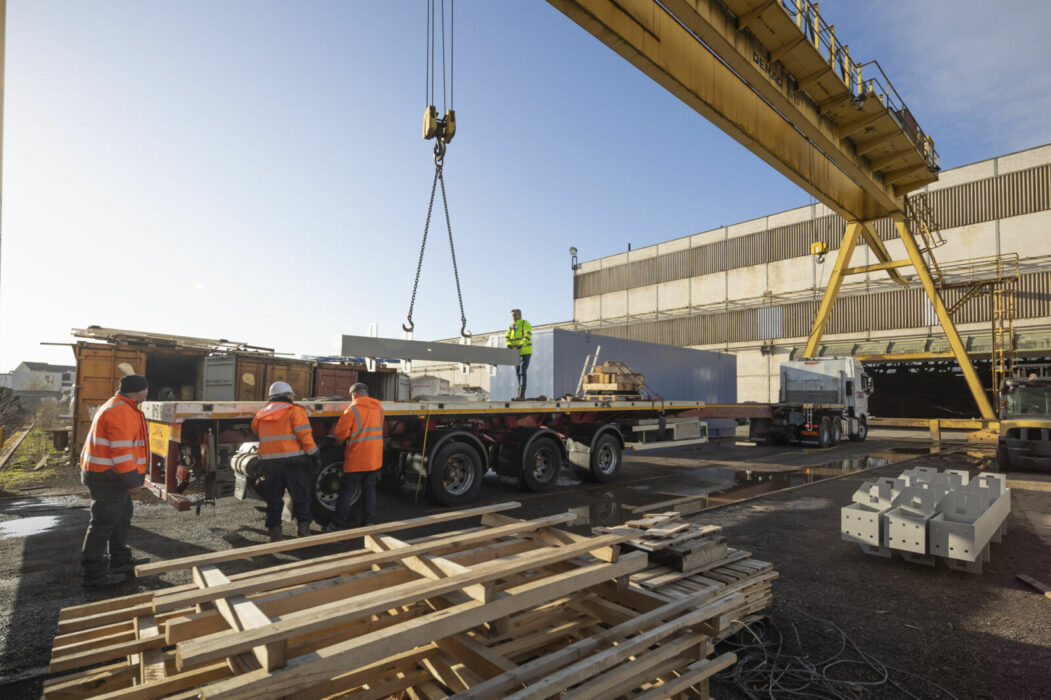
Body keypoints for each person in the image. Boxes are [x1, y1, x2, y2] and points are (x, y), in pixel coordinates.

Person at [80, 374, 151, 587]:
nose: (148, 392)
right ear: (139, 391)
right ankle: (94, 574)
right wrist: (133, 481)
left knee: (121, 517)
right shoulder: (121, 411)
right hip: (107, 476)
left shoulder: (123, 406)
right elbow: (121, 451)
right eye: (146, 389)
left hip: (110, 475)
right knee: (103, 523)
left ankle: (120, 560)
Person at [251, 381, 319, 540]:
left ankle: (275, 531)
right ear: (288, 395)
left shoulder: (261, 414)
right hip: (294, 461)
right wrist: (314, 454)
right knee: (301, 496)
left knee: (274, 497)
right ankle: (303, 530)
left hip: (270, 463)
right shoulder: (295, 411)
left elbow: (255, 430)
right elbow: (304, 435)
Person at [325, 383, 384, 530]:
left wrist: (337, 440)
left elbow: (340, 436)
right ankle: (368, 522)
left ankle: (338, 524)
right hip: (374, 459)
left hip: (357, 459)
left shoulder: (351, 411)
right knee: (369, 490)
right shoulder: (379, 409)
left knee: (347, 491)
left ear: (354, 395)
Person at [506, 308, 533, 400]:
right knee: (518, 373)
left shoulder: (525, 324)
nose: (513, 317)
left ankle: (522, 395)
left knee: (522, 371)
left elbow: (527, 336)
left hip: (525, 352)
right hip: (516, 353)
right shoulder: (511, 326)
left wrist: (521, 345)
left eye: (515, 315)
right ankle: (519, 395)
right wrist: (509, 345)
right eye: (512, 315)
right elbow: (507, 337)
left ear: (519, 315)